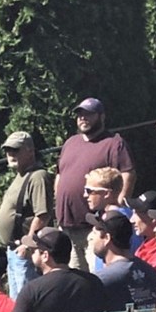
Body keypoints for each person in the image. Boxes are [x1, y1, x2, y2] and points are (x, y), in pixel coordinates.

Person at [54, 97, 133, 272]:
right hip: (68, 228)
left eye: (88, 114)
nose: (83, 118)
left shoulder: (113, 143)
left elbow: (127, 174)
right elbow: (60, 174)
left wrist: (116, 208)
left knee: (99, 276)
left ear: (101, 116)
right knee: (77, 280)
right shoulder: (71, 142)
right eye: (79, 114)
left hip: (96, 229)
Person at [0, 130, 53, 297]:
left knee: (27, 302)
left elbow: (42, 215)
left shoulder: (37, 176)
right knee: (17, 302)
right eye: (8, 150)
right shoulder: (21, 176)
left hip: (26, 253)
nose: (10, 154)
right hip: (14, 251)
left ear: (30, 151)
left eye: (15, 150)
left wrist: (28, 245)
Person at [88, 209, 156, 311]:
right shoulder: (149, 271)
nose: (90, 238)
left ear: (107, 238)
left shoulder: (101, 280)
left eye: (94, 233)